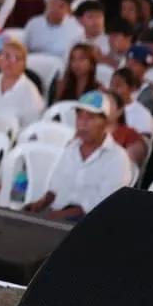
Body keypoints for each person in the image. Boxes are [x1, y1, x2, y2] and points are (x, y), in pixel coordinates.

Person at [25, 91, 133, 221]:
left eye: (91, 118)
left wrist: (59, 216)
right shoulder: (71, 149)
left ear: (106, 123)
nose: (83, 124)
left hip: (91, 222)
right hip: (57, 214)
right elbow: (55, 188)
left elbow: (105, 204)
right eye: (80, 117)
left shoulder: (117, 157)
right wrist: (40, 204)